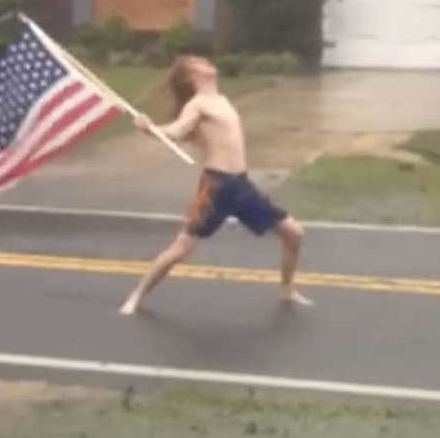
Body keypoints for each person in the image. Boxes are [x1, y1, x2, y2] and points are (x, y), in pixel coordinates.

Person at [119, 55, 312, 315]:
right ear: (192, 76)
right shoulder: (197, 105)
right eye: (200, 63)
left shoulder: (222, 100)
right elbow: (177, 130)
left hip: (242, 186)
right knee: (181, 248)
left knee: (294, 234)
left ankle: (286, 289)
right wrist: (149, 128)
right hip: (216, 187)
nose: (207, 63)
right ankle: (136, 296)